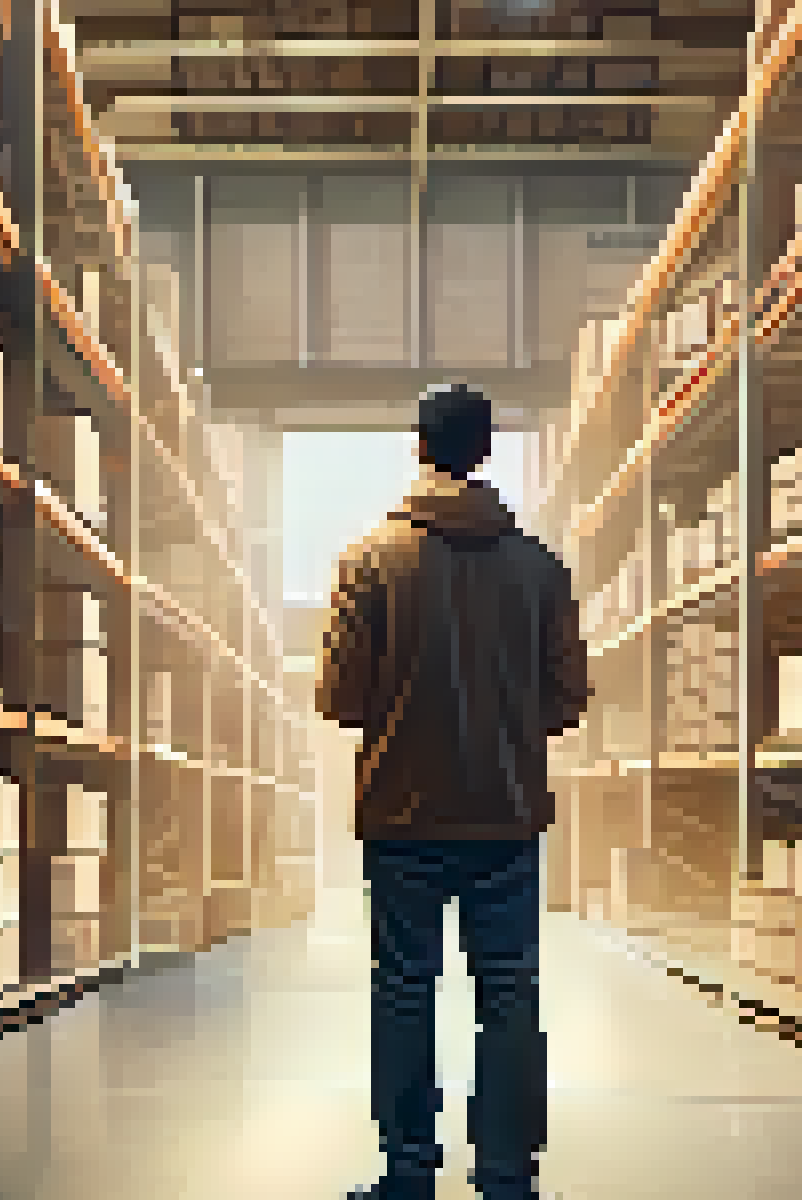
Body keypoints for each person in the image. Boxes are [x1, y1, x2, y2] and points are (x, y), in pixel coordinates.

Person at [317, 383, 592, 1200]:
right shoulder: (539, 568)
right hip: (505, 814)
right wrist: (508, 723)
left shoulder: (370, 560)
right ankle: (506, 1173)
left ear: (420, 448)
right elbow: (569, 697)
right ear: (485, 451)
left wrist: (405, 706)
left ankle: (408, 1170)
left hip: (402, 814)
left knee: (405, 987)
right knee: (508, 992)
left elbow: (338, 699)